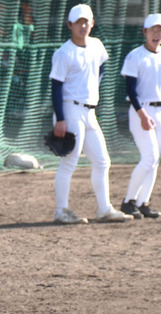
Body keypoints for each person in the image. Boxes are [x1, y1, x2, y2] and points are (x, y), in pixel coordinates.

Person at [49, 4, 132, 225]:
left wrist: (94, 84)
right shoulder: (64, 53)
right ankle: (61, 211)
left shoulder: (96, 45)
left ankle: (105, 209)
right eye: (78, 22)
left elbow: (101, 65)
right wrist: (61, 119)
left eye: (86, 21)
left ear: (92, 23)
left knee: (103, 161)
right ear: (70, 25)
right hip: (70, 109)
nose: (83, 25)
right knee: (70, 161)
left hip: (89, 111)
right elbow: (56, 87)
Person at [119, 13, 161, 220]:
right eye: (152, 30)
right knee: (149, 158)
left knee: (154, 160)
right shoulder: (135, 56)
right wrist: (142, 114)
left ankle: (143, 202)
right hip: (142, 110)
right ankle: (128, 201)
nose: (156, 34)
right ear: (144, 32)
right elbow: (131, 90)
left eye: (160, 30)